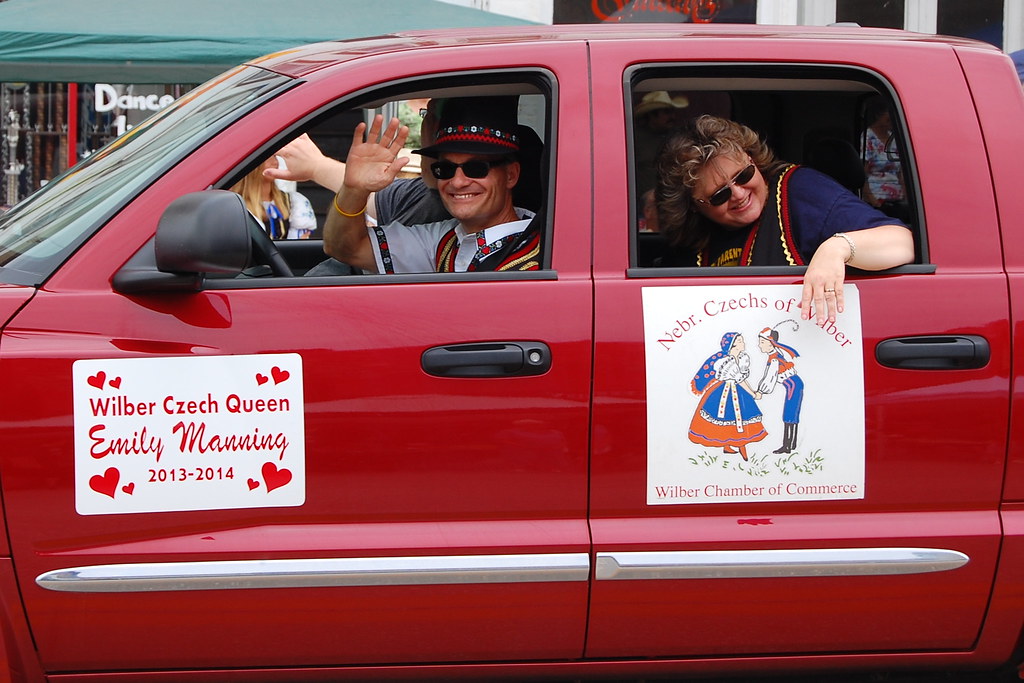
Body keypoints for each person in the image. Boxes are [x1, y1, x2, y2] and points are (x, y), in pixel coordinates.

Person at [654, 115, 915, 324]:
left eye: (743, 175)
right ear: (695, 207)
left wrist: (838, 248)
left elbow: (902, 243)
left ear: (752, 159)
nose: (739, 194)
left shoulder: (802, 191)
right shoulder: (694, 241)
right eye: (719, 195)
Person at [323, 96, 541, 273]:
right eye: (445, 169)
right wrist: (355, 190)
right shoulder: (442, 241)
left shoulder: (544, 249)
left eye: (476, 168)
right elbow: (345, 249)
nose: (457, 181)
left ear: (511, 175)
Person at [688, 331, 766, 462]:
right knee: (728, 416)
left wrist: (752, 392)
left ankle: (737, 445)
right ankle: (731, 445)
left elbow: (742, 379)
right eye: (740, 341)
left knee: (740, 417)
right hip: (724, 391)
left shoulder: (743, 358)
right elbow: (739, 379)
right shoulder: (725, 361)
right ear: (733, 345)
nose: (744, 343)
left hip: (737, 390)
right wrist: (753, 394)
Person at [231, 156, 317, 239]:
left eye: (275, 156)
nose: (275, 162)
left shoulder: (292, 201)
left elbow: (298, 247)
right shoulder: (235, 205)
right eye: (268, 157)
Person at [756, 322, 803, 455]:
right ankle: (792, 444)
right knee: (792, 414)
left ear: (770, 344)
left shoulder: (774, 359)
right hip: (795, 385)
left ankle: (787, 446)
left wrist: (760, 391)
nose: (759, 345)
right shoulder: (775, 354)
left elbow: (769, 378)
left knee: (789, 414)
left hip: (792, 386)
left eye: (762, 342)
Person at [861, 96, 905, 216]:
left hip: (898, 201)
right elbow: (862, 175)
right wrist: (874, 203)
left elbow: (901, 172)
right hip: (877, 202)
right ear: (878, 116)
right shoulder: (867, 138)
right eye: (888, 119)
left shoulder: (894, 139)